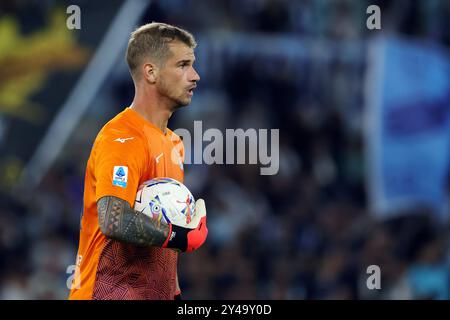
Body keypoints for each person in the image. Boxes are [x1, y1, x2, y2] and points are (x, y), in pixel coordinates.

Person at [68, 22, 207, 300]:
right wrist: (182, 237)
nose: (195, 76)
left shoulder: (173, 143)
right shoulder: (121, 136)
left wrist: (174, 293)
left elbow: (161, 235)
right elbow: (114, 220)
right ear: (151, 72)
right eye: (183, 65)